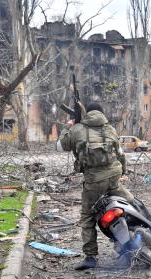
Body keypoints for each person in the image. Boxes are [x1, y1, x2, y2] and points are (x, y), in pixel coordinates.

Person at [59, 102, 134, 270]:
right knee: (131, 202)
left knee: (87, 218)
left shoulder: (77, 129)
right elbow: (120, 154)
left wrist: (69, 125)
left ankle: (91, 257)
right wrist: (123, 172)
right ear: (101, 113)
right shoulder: (110, 129)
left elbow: (60, 146)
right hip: (113, 177)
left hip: (93, 182)